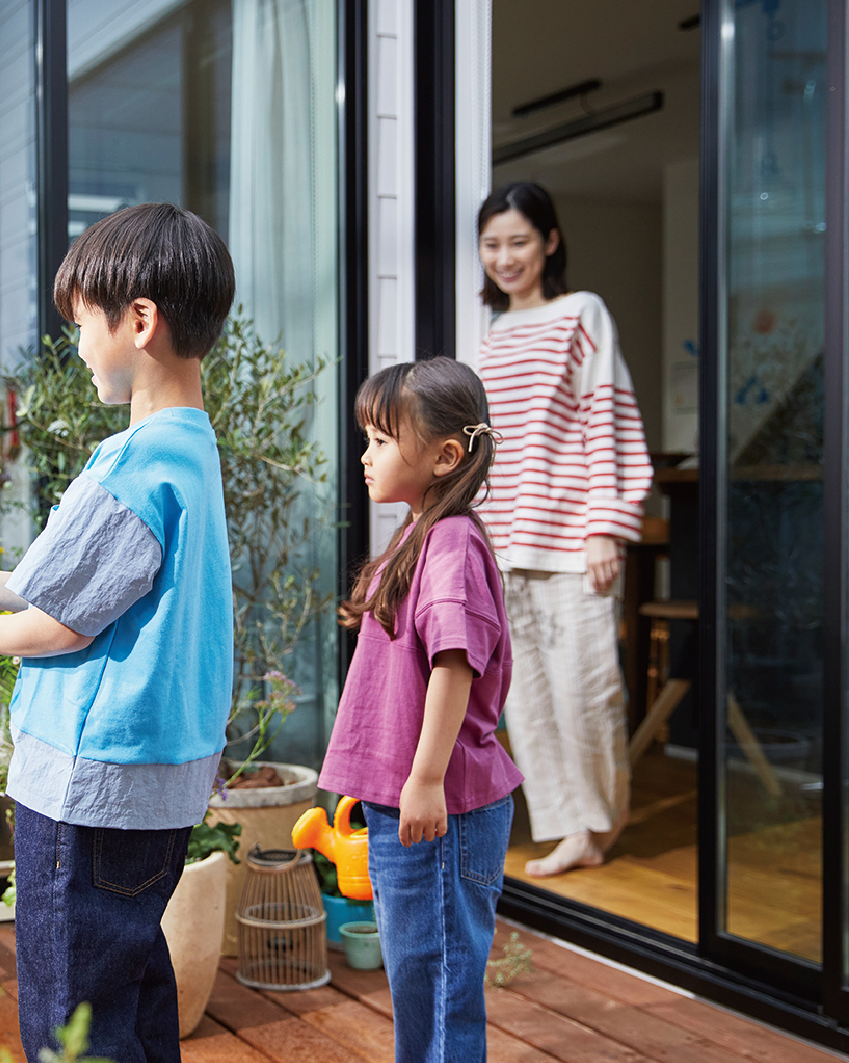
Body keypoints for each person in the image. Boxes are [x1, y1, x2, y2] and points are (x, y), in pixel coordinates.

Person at [0, 202, 236, 1062]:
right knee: (133, 996)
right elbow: (63, 586)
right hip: (159, 790)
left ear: (139, 320)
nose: (76, 345)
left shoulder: (137, 462)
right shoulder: (190, 452)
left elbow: (61, 623)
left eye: (82, 325)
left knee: (71, 1022)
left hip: (89, 789)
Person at [319, 356, 521, 1063]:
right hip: (413, 804)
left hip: (442, 808)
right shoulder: (419, 531)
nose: (365, 455)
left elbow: (454, 662)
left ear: (445, 456)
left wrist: (427, 775)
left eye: (380, 440)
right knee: (418, 972)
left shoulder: (453, 541)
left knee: (437, 978)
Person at [473, 181, 653, 878]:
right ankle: (566, 827)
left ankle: (599, 822)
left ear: (550, 242)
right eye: (492, 245)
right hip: (504, 542)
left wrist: (606, 526)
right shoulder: (490, 336)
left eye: (519, 241)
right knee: (529, 696)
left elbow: (605, 418)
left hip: (574, 539)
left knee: (587, 689)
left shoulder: (583, 314)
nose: (506, 257)